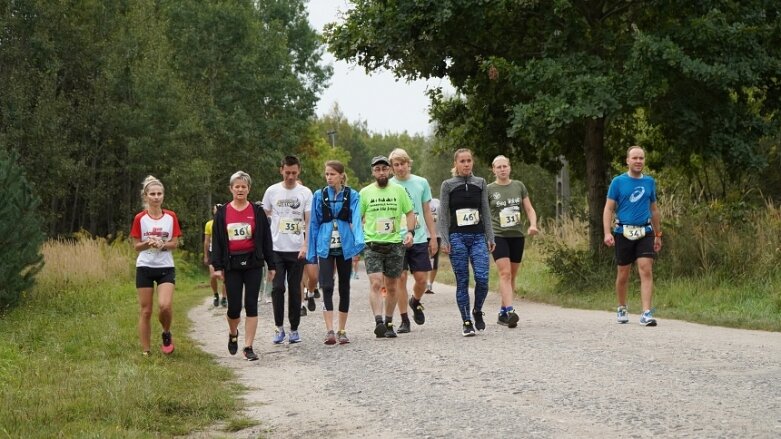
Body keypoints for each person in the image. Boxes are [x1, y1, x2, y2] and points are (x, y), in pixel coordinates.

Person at [211, 171, 276, 361]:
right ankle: (233, 333)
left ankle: (248, 346)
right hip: (231, 264)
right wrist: (218, 266)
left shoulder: (257, 211)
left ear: (249, 189)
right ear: (231, 189)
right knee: (233, 308)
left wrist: (271, 265)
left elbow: (266, 240)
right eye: (237, 186)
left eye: (244, 186)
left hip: (253, 262)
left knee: (251, 305)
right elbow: (217, 241)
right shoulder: (223, 212)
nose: (240, 189)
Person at [602, 145, 662, 326]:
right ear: (627, 161)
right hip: (623, 232)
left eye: (641, 158)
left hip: (645, 231)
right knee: (623, 274)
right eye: (635, 158)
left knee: (646, 269)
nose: (638, 161)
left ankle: (646, 313)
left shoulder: (649, 182)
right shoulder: (618, 182)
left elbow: (654, 210)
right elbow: (609, 208)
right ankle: (621, 306)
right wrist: (607, 232)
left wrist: (658, 234)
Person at [438, 149, 495, 336]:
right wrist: (445, 239)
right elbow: (443, 214)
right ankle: (466, 321)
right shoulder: (448, 185)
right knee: (462, 280)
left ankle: (477, 310)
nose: (466, 164)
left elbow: (485, 211)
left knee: (482, 279)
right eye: (462, 161)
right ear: (455, 163)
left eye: (469, 160)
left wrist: (490, 236)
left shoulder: (480, 183)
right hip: (457, 237)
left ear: (473, 162)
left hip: (478, 236)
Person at [307, 160, 364, 345]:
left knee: (344, 287)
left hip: (344, 246)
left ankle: (342, 330)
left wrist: (358, 240)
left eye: (332, 174)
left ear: (341, 175)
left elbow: (356, 217)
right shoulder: (319, 195)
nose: (329, 177)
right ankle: (329, 330)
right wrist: (311, 252)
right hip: (325, 246)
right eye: (327, 174)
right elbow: (314, 223)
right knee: (327, 286)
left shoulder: (352, 194)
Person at [360, 155, 415, 339]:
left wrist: (410, 232)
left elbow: (409, 213)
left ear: (389, 170)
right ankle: (378, 322)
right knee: (376, 282)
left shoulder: (399, 190)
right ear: (372, 172)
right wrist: (359, 237)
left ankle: (389, 321)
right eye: (377, 169)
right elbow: (357, 218)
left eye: (384, 169)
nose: (381, 172)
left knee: (392, 286)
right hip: (373, 244)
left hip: (394, 244)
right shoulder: (365, 193)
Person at [262, 156, 313, 344]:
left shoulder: (305, 193)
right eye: (287, 172)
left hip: (297, 249)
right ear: (281, 170)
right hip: (276, 248)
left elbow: (308, 222)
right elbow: (265, 215)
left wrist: (306, 244)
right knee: (277, 287)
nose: (290, 176)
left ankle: (294, 329)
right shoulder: (272, 191)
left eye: (294, 173)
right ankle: (278, 328)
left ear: (299, 171)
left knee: (294, 289)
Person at [130, 176, 181, 356]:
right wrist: (148, 243)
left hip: (165, 266)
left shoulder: (171, 217)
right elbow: (136, 246)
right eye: (152, 194)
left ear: (163, 196)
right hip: (145, 266)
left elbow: (175, 243)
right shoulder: (140, 219)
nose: (156, 197)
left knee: (165, 306)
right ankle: (146, 350)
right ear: (146, 196)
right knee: (146, 311)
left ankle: (166, 333)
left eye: (159, 193)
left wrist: (163, 244)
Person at [388, 148, 437, 333]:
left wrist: (433, 237)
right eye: (396, 165)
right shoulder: (389, 185)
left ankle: (415, 301)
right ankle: (404, 319)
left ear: (409, 163)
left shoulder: (421, 182)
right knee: (400, 278)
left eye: (403, 164)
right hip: (396, 238)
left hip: (418, 237)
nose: (400, 168)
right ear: (392, 168)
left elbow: (426, 211)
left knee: (422, 279)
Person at [487, 155, 539, 328]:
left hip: (517, 235)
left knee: (512, 276)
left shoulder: (519, 186)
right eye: (498, 167)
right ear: (493, 170)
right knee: (505, 273)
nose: (502, 169)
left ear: (510, 168)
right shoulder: (488, 189)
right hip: (498, 235)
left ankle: (502, 313)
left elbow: (529, 208)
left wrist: (533, 224)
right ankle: (510, 310)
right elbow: (484, 215)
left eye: (505, 166)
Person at [204, 204, 227, 308]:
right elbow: (207, 241)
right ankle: (215, 295)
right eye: (215, 209)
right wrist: (206, 255)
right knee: (213, 276)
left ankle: (224, 298)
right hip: (213, 252)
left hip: (224, 253)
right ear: (213, 211)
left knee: (225, 277)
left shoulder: (226, 222)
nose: (217, 211)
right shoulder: (209, 224)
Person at [425, 197, 441, 295]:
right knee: (423, 260)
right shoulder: (418, 201)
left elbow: (442, 217)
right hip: (422, 235)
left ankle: (429, 284)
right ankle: (423, 282)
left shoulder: (437, 202)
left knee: (434, 260)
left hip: (436, 235)